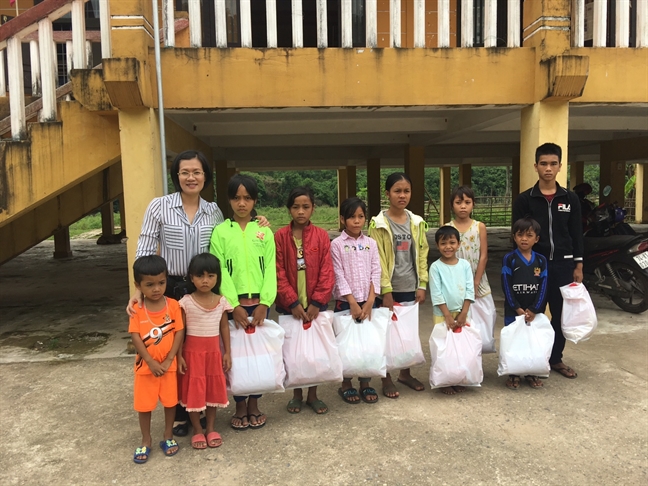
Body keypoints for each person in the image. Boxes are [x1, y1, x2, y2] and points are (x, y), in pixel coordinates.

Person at [127, 150, 268, 436]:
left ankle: (201, 406)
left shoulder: (214, 210)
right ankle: (180, 413)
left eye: (197, 172)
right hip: (171, 288)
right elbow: (145, 245)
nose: (191, 177)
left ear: (205, 176)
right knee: (174, 349)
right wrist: (138, 290)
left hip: (205, 288)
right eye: (185, 172)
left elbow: (228, 240)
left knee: (203, 349)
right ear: (176, 176)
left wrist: (259, 221)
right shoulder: (159, 207)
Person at [210, 174, 276, 430]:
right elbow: (219, 270)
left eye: (247, 198)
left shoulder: (263, 231)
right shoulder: (220, 232)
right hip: (233, 307)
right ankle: (239, 403)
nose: (242, 203)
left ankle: (254, 403)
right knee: (235, 355)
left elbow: (270, 267)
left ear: (255, 200)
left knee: (257, 355)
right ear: (228, 201)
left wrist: (265, 302)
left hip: (259, 304)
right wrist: (232, 305)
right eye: (236, 198)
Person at [512, 142, 583, 379]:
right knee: (534, 312)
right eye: (544, 164)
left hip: (564, 265)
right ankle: (533, 360)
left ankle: (555, 359)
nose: (548, 168)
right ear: (536, 166)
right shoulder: (525, 200)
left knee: (561, 314)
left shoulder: (570, 199)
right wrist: (520, 266)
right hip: (535, 266)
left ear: (560, 166)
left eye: (553, 164)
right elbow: (517, 236)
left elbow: (576, 233)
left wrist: (579, 265)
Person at [368, 172, 429, 398]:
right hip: (389, 288)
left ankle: (405, 372)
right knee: (386, 333)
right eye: (397, 191)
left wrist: (422, 283)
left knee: (407, 333)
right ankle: (386, 377)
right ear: (387, 194)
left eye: (406, 191)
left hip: (410, 285)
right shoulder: (379, 224)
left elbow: (422, 252)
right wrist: (385, 290)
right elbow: (377, 260)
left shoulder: (416, 222)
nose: (402, 196)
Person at [275, 187, 335, 415]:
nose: (301, 211)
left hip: (313, 306)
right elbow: (278, 271)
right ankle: (296, 394)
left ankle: (313, 395)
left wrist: (317, 302)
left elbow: (327, 271)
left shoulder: (320, 236)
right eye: (296, 207)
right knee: (293, 352)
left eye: (306, 207)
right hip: (290, 305)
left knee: (314, 352)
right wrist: (292, 302)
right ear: (289, 209)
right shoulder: (280, 236)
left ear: (313, 208)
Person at [129, 255, 184, 464]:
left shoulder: (173, 306)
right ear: (138, 285)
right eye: (149, 285)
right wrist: (150, 362)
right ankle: (146, 439)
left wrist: (171, 359)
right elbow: (135, 336)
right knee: (144, 406)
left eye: (161, 283)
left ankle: (167, 436)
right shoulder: (137, 309)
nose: (156, 289)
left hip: (168, 367)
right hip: (146, 368)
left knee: (170, 403)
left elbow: (179, 331)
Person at [177, 253, 232, 449]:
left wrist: (227, 353)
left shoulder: (221, 301)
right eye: (200, 276)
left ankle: (210, 428)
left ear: (217, 277)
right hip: (192, 356)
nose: (205, 280)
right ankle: (197, 430)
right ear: (191, 278)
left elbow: (224, 327)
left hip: (213, 355)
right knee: (194, 392)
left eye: (210, 276)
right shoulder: (186, 302)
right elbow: (180, 331)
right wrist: (179, 355)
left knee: (211, 391)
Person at [330, 197, 382, 404]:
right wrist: (351, 302)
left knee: (366, 344)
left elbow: (376, 271)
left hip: (368, 302)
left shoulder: (371, 244)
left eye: (361, 216)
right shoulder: (336, 245)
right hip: (346, 303)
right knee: (347, 344)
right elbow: (338, 274)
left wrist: (370, 301)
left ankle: (365, 383)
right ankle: (346, 384)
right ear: (343, 219)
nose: (357, 221)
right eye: (352, 217)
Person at [501, 218, 549, 390]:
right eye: (520, 235)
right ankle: (513, 374)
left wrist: (535, 309)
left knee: (532, 342)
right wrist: (516, 307)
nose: (524, 239)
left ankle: (532, 372)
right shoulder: (509, 259)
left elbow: (544, 286)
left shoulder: (541, 261)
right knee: (514, 341)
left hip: (534, 312)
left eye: (529, 235)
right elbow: (506, 284)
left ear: (536, 239)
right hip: (514, 310)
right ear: (514, 237)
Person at [429, 226, 475, 395]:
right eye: (443, 243)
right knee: (444, 348)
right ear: (437, 245)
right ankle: (444, 381)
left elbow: (470, 289)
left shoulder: (464, 265)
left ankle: (457, 377)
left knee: (460, 348)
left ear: (459, 244)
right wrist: (447, 315)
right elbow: (436, 292)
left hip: (463, 313)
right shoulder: (435, 267)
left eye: (452, 242)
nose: (448, 246)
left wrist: (464, 312)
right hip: (443, 315)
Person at [447, 185, 496, 344]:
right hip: (457, 281)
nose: (463, 206)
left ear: (473, 204)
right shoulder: (448, 228)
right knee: (459, 320)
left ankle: (478, 351)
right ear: (452, 205)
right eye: (458, 202)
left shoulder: (479, 226)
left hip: (478, 280)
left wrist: (475, 282)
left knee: (482, 318)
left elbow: (483, 256)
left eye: (467, 202)